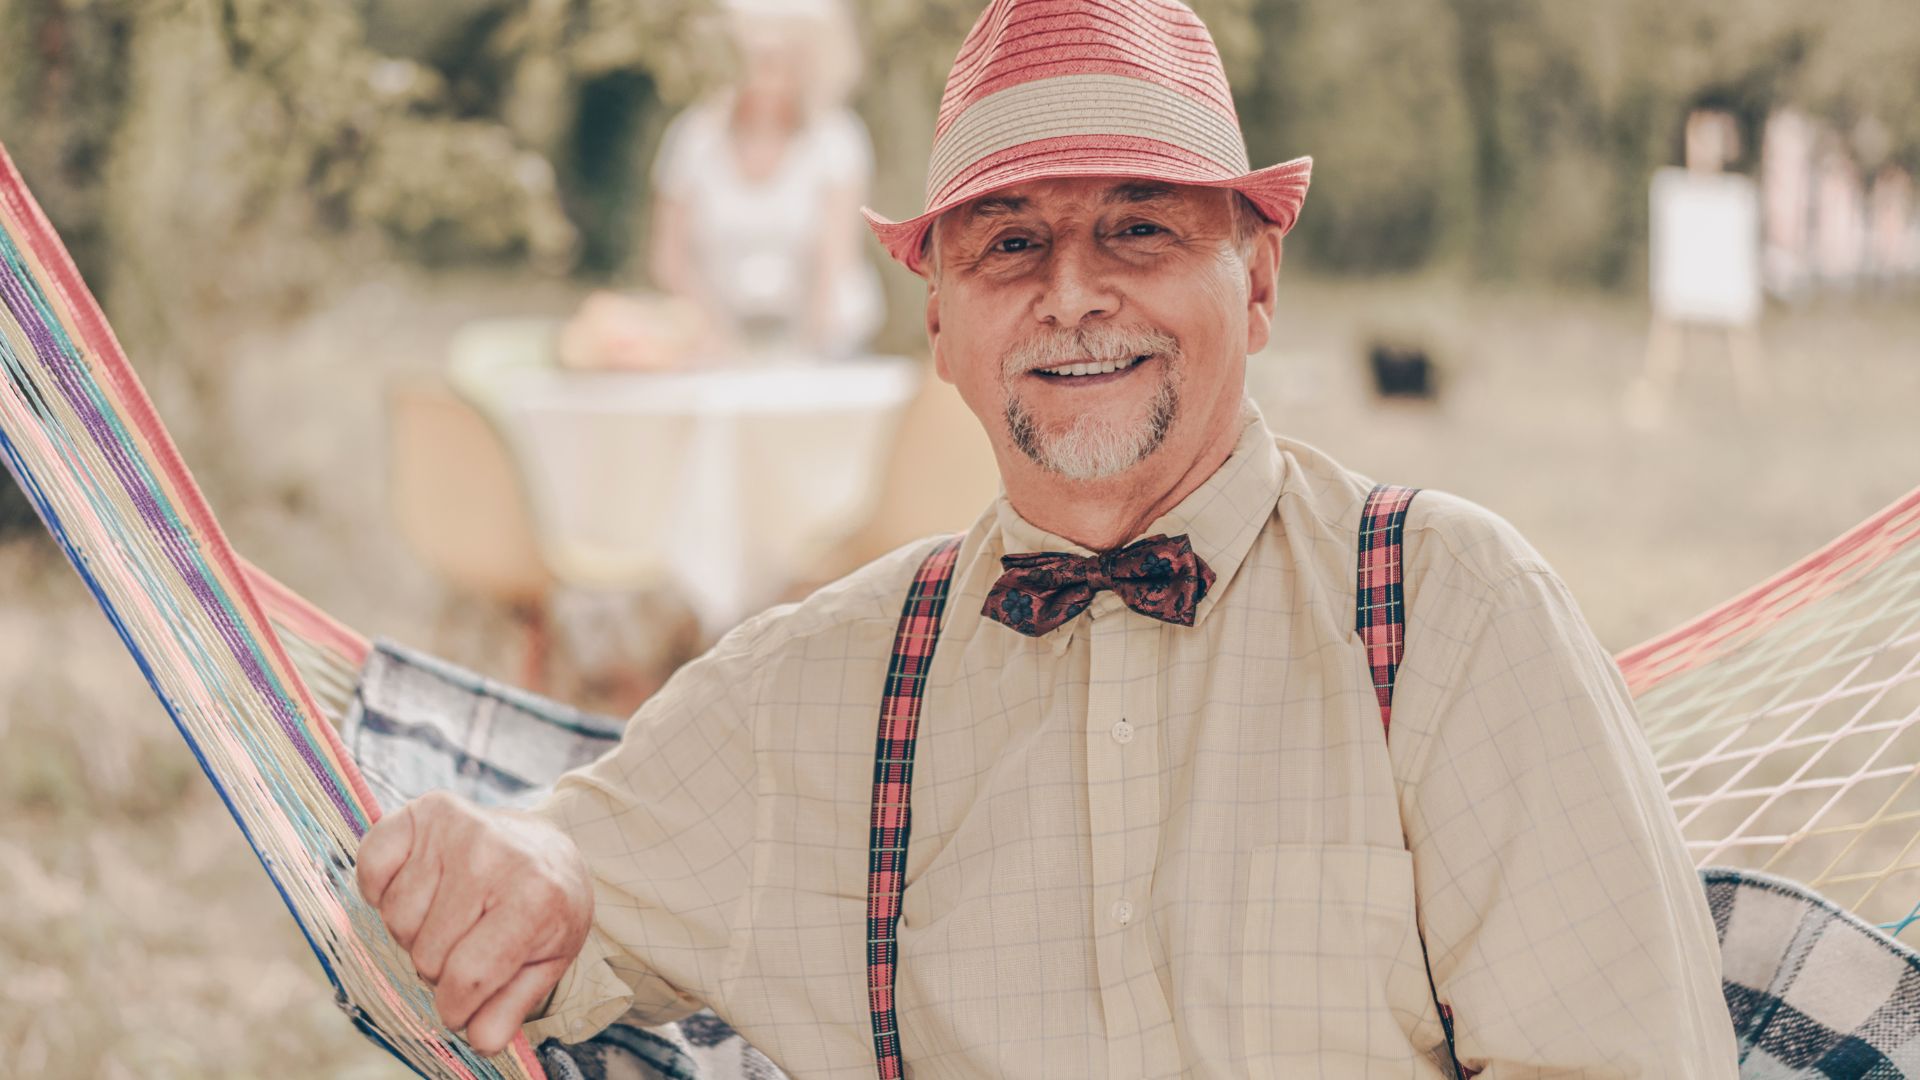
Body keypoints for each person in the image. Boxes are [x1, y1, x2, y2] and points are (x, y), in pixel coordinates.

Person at [357, 1, 1741, 1074]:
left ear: (1254, 281)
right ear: (940, 322)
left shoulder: (1448, 613)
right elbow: (570, 870)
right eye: (1009, 245)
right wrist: (519, 869)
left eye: (1139, 228)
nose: (1073, 294)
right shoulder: (832, 688)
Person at [563, 0, 883, 368]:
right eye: (757, 55)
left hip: (825, 341)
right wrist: (713, 332)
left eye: (780, 57)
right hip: (713, 342)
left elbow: (834, 259)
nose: (767, 69)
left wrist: (805, 355)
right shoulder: (693, 137)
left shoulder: (837, 139)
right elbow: (669, 257)